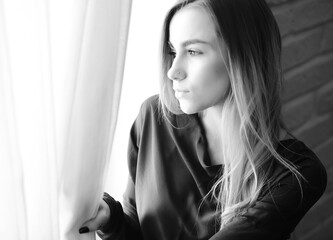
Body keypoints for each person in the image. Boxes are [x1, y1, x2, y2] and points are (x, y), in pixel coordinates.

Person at [79, 0, 327, 239]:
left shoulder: (293, 172)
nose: (172, 71)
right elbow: (137, 229)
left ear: (243, 57)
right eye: (173, 51)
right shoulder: (153, 117)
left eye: (194, 51)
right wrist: (111, 220)